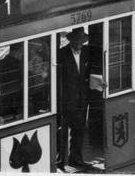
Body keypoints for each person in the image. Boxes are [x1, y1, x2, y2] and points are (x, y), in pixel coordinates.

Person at [57, 27, 94, 169]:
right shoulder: (61, 54)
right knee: (62, 131)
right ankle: (60, 161)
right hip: (66, 101)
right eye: (77, 43)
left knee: (79, 131)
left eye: (81, 43)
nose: (79, 45)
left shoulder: (86, 52)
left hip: (81, 100)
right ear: (71, 41)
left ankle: (76, 159)